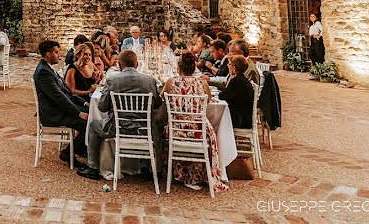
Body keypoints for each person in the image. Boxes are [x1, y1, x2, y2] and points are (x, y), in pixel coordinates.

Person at [81, 50, 162, 181]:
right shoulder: (150, 81)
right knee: (152, 123)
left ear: (119, 65)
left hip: (117, 128)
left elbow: (102, 106)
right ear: (137, 64)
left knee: (93, 125)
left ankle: (93, 167)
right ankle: (146, 168)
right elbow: (157, 104)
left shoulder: (112, 80)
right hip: (143, 130)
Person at [161, 53, 228, 193]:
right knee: (211, 130)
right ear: (194, 68)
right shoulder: (202, 83)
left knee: (161, 126)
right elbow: (208, 100)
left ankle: (178, 174)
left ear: (179, 67)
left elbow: (163, 97)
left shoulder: (171, 82)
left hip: (176, 130)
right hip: (198, 131)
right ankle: (197, 175)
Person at [32, 40, 88, 164]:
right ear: (48, 54)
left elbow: (67, 91)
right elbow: (59, 98)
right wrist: (78, 113)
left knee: (92, 113)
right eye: (56, 52)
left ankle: (83, 148)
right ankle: (68, 153)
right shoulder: (43, 72)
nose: (59, 55)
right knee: (89, 123)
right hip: (53, 114)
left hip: (59, 109)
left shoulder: (49, 68)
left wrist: (84, 104)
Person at [219, 55, 255, 129]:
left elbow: (223, 96)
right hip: (244, 117)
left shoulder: (237, 81)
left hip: (240, 120)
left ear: (234, 68)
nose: (228, 66)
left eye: (229, 65)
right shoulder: (243, 79)